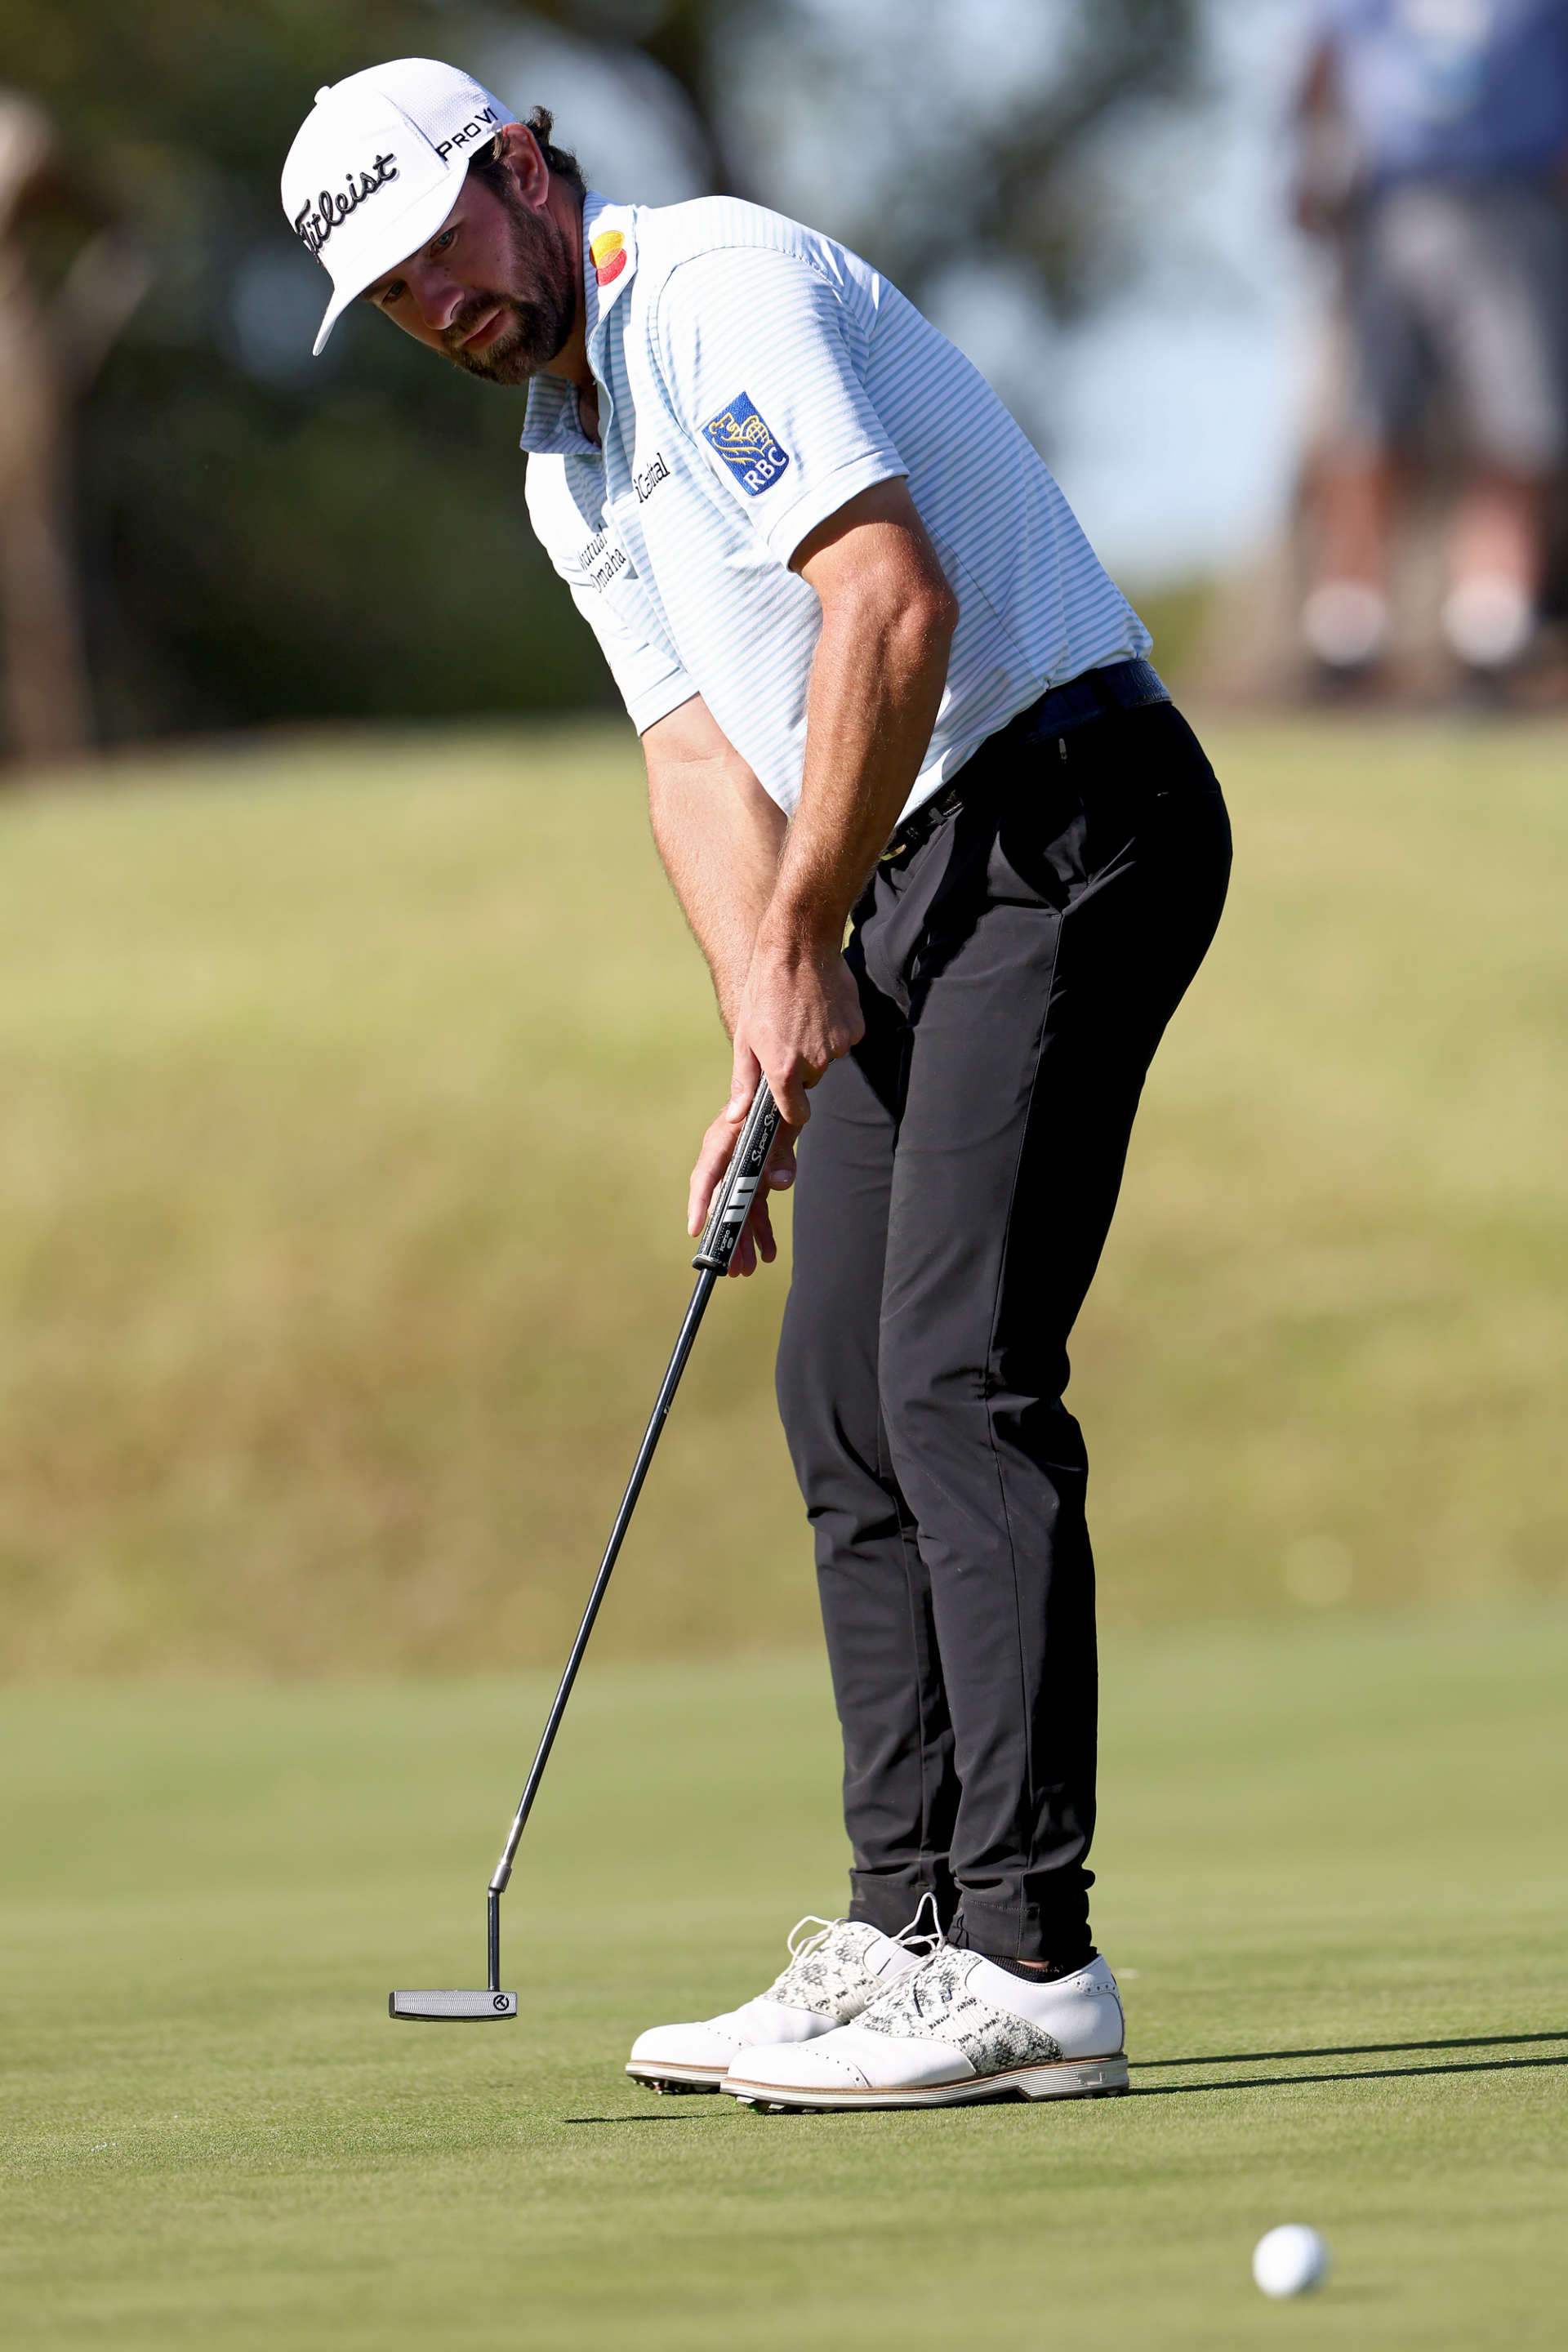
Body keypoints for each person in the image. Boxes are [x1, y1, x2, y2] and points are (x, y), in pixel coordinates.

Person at [282, 59, 1231, 2112]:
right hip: (892, 867)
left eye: (442, 242)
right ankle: (903, 1936)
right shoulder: (562, 457)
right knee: (836, 1390)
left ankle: (1029, 1958)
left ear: (520, 167)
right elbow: (700, 756)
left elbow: (889, 596)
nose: (439, 301)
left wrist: (807, 934)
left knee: (957, 1368)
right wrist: (760, 1016)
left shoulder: (701, 293)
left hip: (1065, 807)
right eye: (395, 290)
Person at [1294, 0, 1568, 679]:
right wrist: (1308, 168)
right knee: (1367, 424)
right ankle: (1348, 634)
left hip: (1517, 202)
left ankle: (1492, 631)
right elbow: (1321, 68)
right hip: (1391, 206)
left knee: (1517, 426)